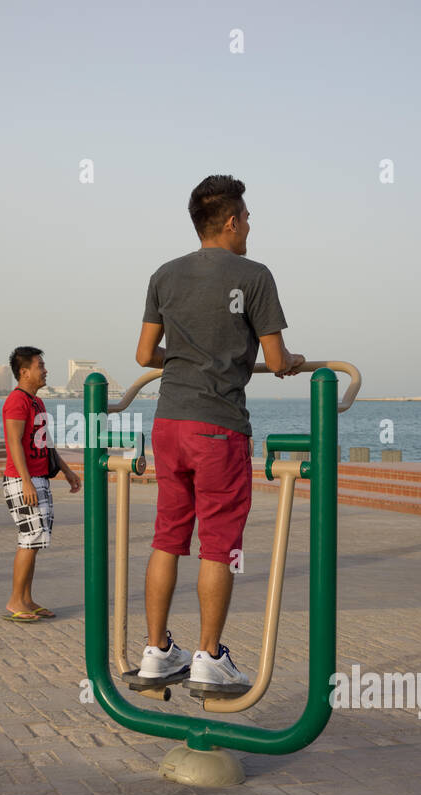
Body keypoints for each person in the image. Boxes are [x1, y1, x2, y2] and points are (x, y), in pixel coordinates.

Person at [133, 175, 307, 692]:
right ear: (230, 221)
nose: (250, 226)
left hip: (168, 423)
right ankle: (210, 656)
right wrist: (291, 362)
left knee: (167, 538)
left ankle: (155, 651)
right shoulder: (254, 276)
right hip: (219, 428)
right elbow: (275, 359)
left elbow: (145, 356)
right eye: (248, 218)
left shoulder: (165, 274)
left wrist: (184, 358)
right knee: (219, 546)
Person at [1, 346, 81, 621]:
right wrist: (26, 482)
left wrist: (67, 471)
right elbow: (14, 443)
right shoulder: (17, 401)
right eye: (40, 366)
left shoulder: (37, 402)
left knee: (36, 541)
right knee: (28, 539)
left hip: (38, 478)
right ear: (24, 372)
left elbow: (45, 444)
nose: (45, 370)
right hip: (22, 480)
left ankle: (26, 598)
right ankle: (15, 601)